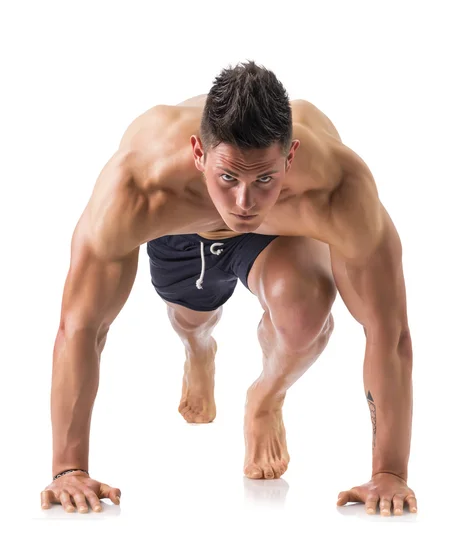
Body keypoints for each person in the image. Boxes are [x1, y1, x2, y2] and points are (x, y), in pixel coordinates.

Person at [40, 60, 417, 516]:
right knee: (190, 317)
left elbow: (388, 331)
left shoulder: (335, 188)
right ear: (199, 153)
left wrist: (389, 474)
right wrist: (68, 469)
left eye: (264, 178)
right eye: (228, 178)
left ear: (289, 157)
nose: (243, 202)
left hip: (282, 231)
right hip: (179, 229)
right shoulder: (139, 187)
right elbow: (81, 327)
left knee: (305, 315)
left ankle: (266, 397)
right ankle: (199, 347)